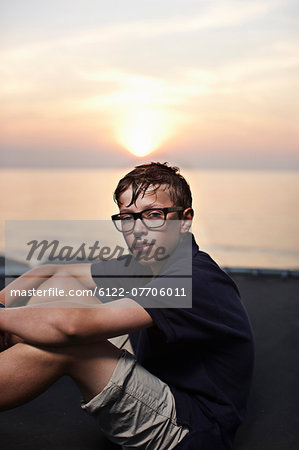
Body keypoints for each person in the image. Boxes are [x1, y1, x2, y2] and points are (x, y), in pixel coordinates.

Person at [0, 162, 254, 449]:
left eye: (154, 215)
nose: (138, 230)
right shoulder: (148, 263)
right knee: (65, 289)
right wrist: (2, 302)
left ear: (184, 220)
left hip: (190, 428)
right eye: (127, 218)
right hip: (158, 373)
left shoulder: (195, 279)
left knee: (71, 339)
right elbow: (57, 269)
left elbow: (72, 325)